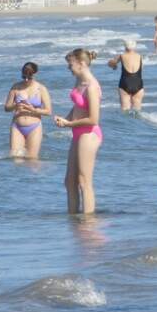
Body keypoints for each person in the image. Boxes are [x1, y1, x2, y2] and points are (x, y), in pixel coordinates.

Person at [55, 48, 102, 214]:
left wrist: (69, 124)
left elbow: (93, 119)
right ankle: (73, 219)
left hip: (89, 133)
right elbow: (78, 106)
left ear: (81, 64)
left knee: (84, 181)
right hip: (77, 132)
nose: (69, 68)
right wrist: (66, 118)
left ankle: (88, 220)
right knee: (69, 181)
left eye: (70, 65)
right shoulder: (79, 81)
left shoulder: (92, 86)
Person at [4, 62, 52, 158]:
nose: (26, 80)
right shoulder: (15, 87)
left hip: (34, 127)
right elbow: (6, 108)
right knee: (15, 158)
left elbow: (48, 111)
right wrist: (15, 105)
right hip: (17, 126)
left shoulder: (41, 89)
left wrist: (33, 110)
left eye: (29, 78)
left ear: (35, 74)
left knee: (32, 159)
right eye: (23, 77)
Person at [107, 39, 145, 112]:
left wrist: (114, 66)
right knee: (137, 111)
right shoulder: (140, 57)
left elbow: (110, 64)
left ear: (125, 47)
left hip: (125, 83)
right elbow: (141, 68)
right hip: (138, 84)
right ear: (135, 47)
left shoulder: (122, 56)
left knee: (125, 111)